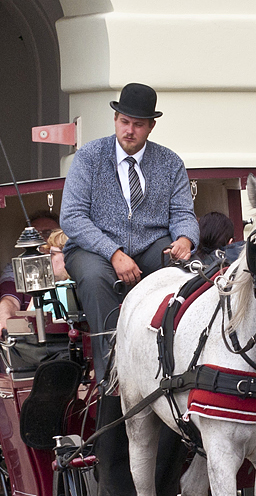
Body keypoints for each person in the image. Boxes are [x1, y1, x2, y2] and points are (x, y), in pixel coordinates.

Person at [59, 82, 199, 384]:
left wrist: (186, 239)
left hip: (151, 245)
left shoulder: (170, 162)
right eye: (124, 122)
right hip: (92, 249)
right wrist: (113, 252)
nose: (129, 130)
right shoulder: (89, 157)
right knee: (97, 280)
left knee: (185, 272)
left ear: (151, 126)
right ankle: (113, 375)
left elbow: (184, 215)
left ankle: (180, 366)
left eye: (138, 124)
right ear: (115, 120)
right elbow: (71, 217)